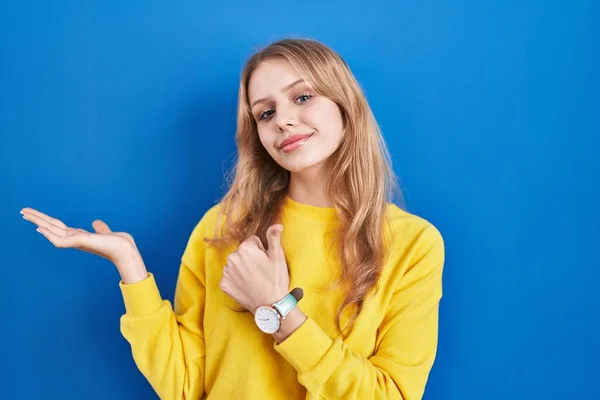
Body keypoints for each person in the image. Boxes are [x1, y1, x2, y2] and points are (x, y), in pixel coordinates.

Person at [21, 38, 445, 400]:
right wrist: (130, 267)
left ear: (345, 106)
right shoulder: (224, 227)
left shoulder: (413, 244)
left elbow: (391, 393)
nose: (284, 120)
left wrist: (279, 312)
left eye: (302, 97)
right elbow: (185, 384)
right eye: (265, 113)